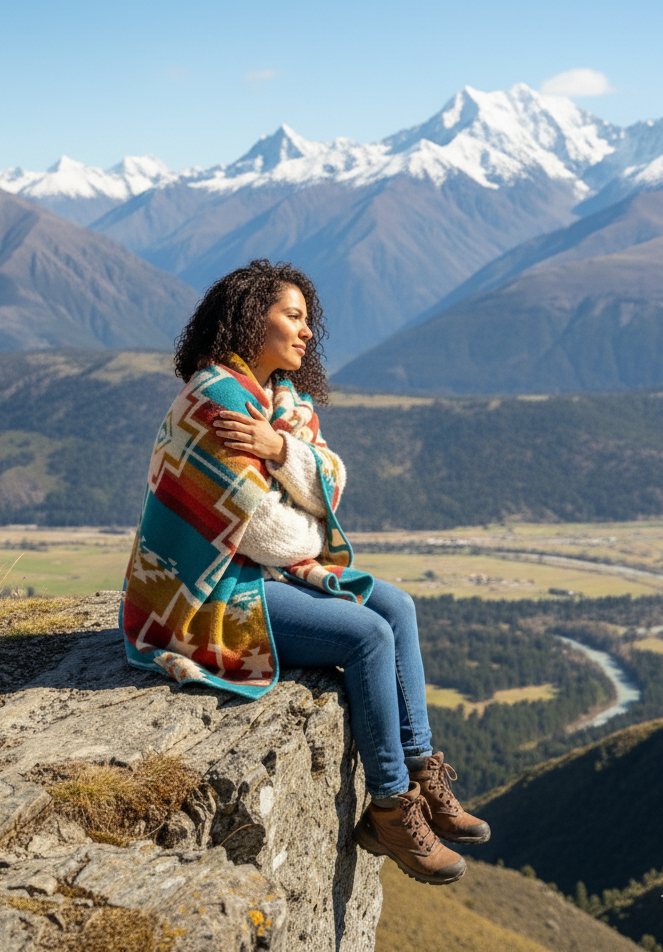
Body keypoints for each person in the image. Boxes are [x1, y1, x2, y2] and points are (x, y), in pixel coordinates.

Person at [120, 258, 490, 884]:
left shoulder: (282, 404)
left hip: (264, 572)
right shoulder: (218, 401)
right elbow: (269, 533)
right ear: (250, 319)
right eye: (293, 316)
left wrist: (280, 449)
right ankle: (390, 806)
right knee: (368, 635)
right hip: (206, 593)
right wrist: (310, 513)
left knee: (399, 607)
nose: (308, 331)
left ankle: (422, 768)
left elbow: (332, 484)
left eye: (306, 318)